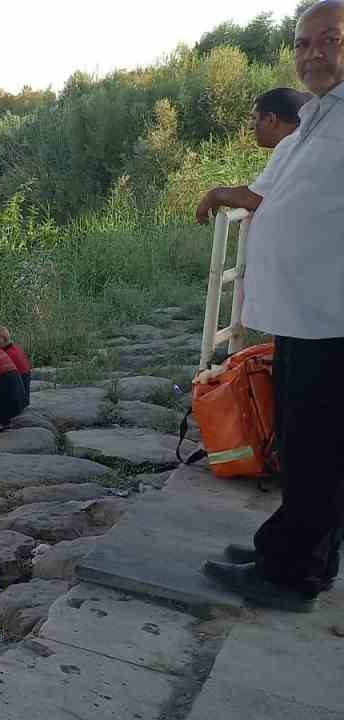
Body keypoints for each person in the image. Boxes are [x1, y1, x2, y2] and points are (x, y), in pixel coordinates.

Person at [197, 2, 344, 613]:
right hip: (306, 314)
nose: (313, 52)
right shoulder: (322, 114)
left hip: (332, 318)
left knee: (318, 449)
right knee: (305, 442)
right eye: (303, 42)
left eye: (330, 39)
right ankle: (286, 548)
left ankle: (292, 576)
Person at [194, 87, 314, 224]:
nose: (251, 126)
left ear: (270, 119)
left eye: (254, 118)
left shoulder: (292, 143)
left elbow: (255, 198)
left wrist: (214, 195)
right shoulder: (307, 140)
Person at [0, 326, 34, 406]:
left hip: (15, 403)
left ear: (4, 338)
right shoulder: (15, 348)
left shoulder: (7, 355)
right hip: (22, 399)